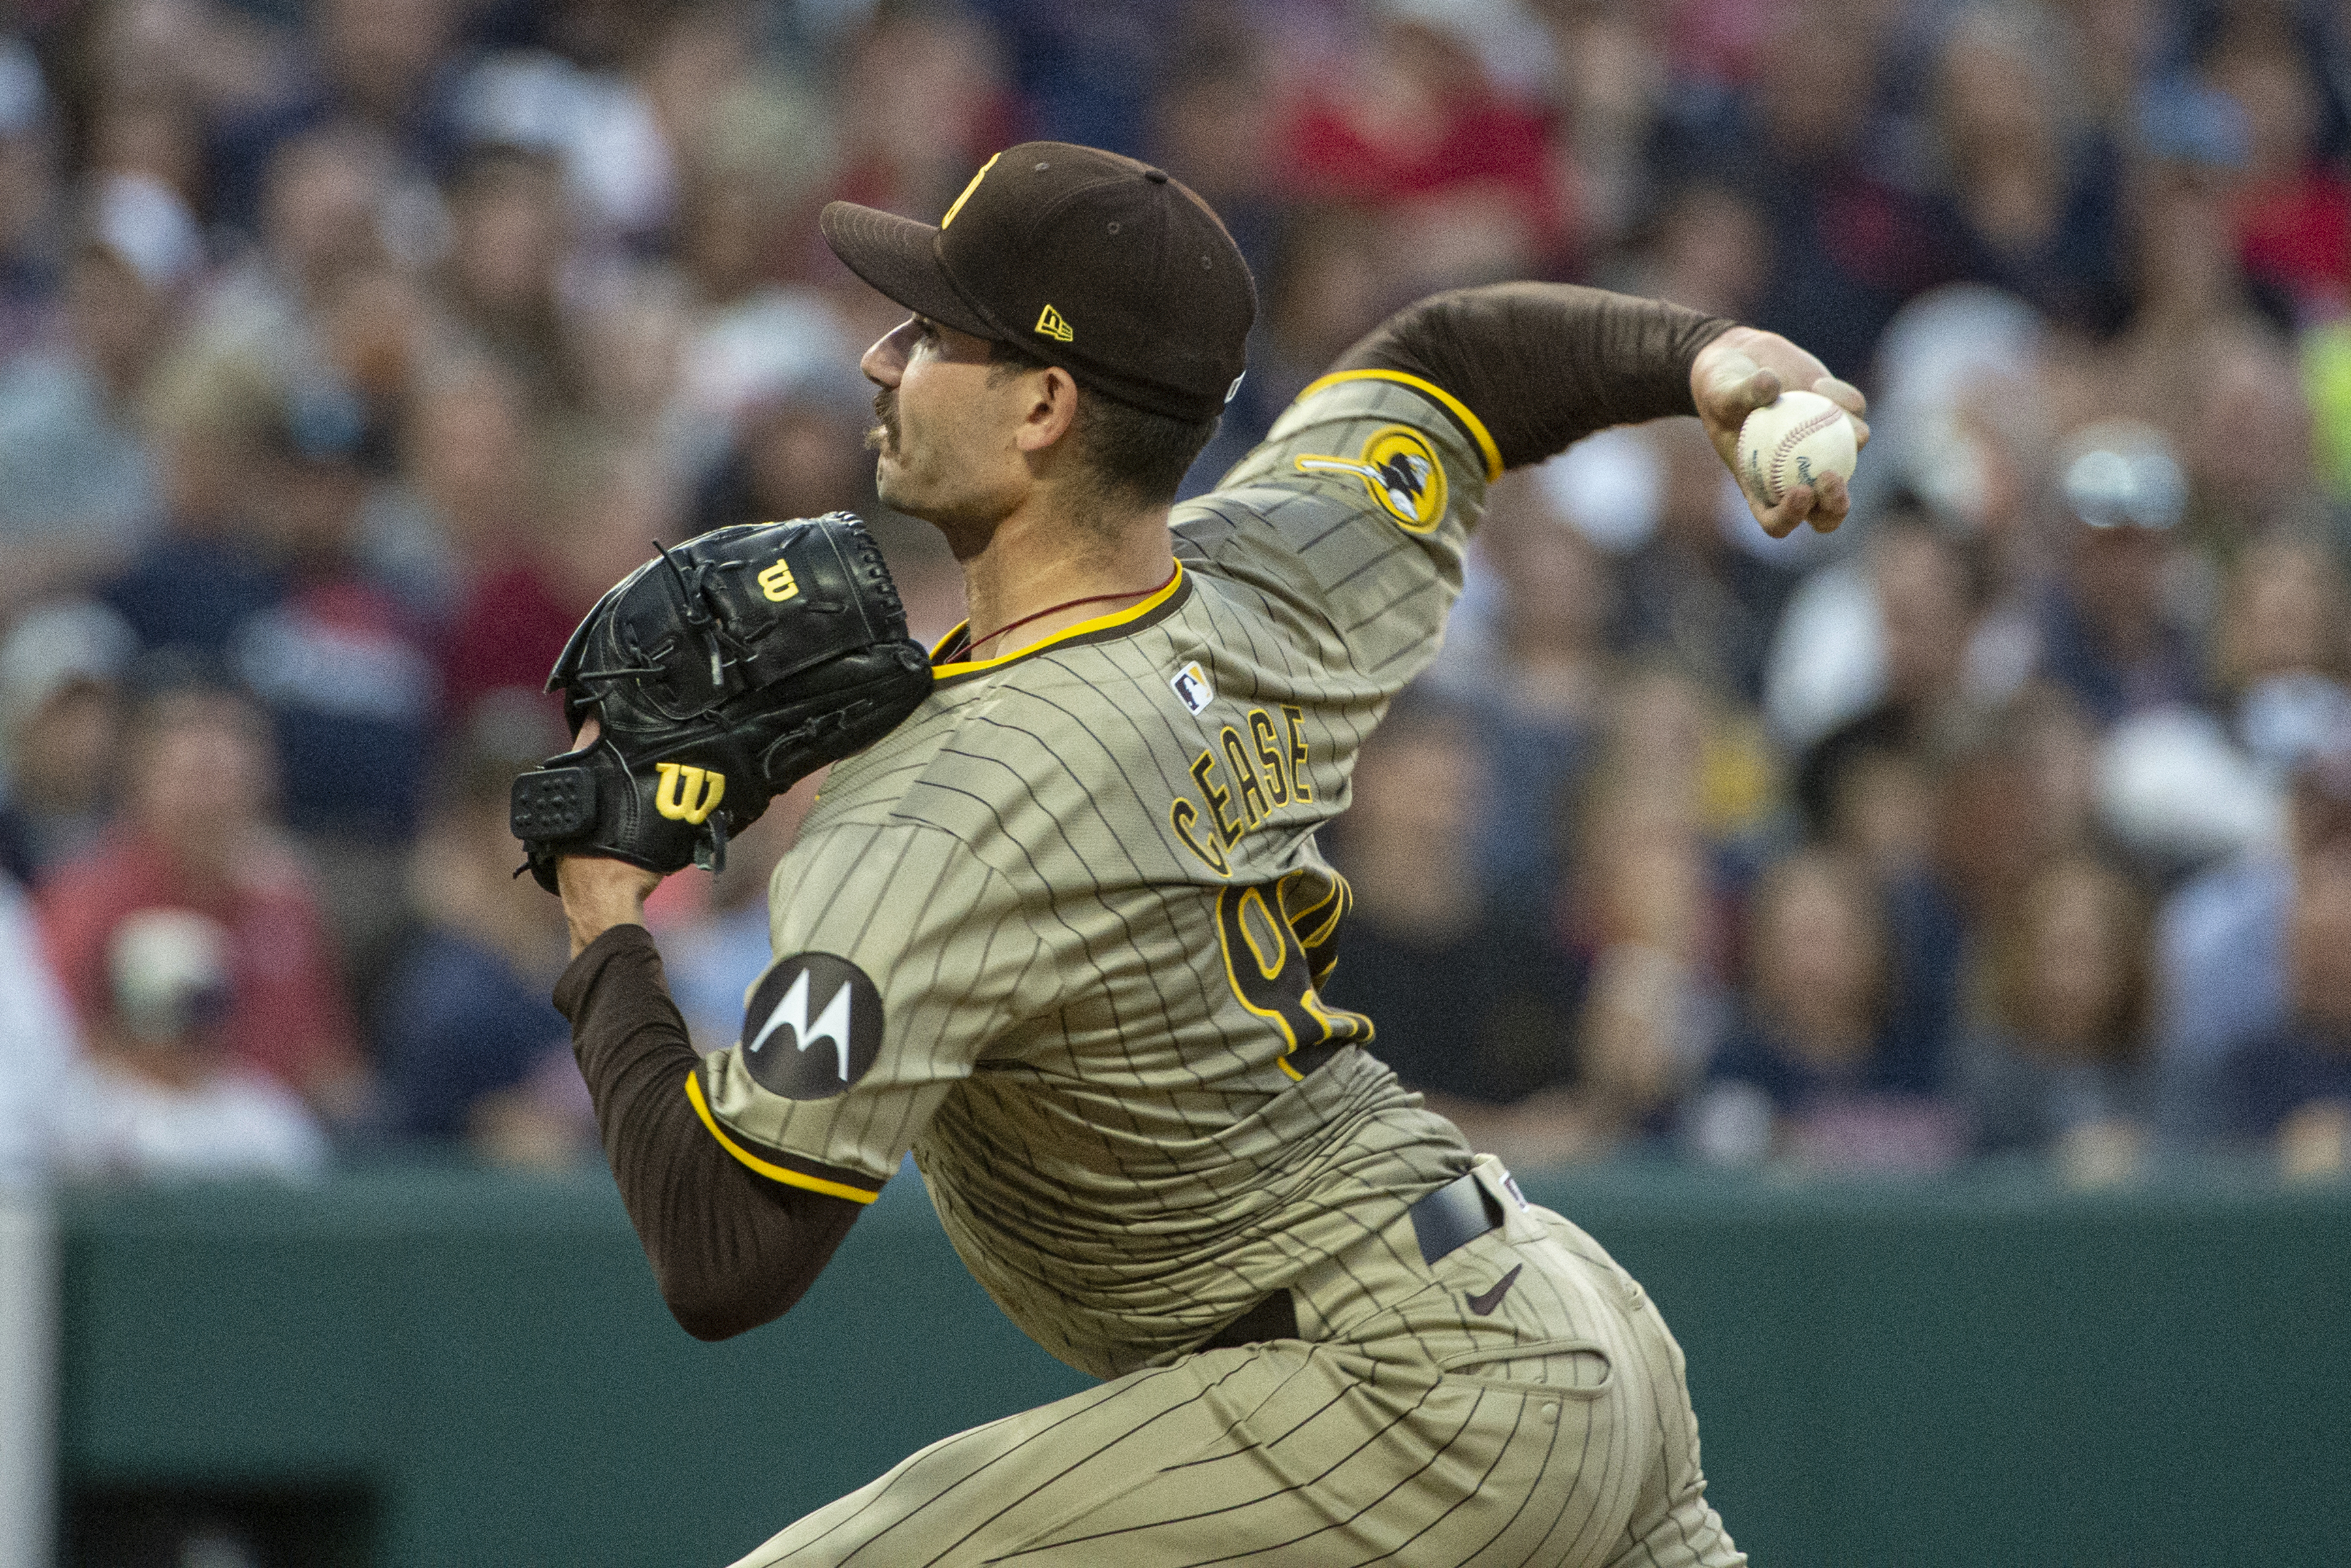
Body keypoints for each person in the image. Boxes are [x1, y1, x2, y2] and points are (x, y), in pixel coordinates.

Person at [547, 141, 1860, 1565]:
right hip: (1567, 1326)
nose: (878, 357)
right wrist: (1706, 352)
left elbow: (723, 1252)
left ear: (1045, 403)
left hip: (1396, 1401)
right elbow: (1457, 365)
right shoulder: (1278, 570)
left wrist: (607, 920)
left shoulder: (943, 806)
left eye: (931, 333)